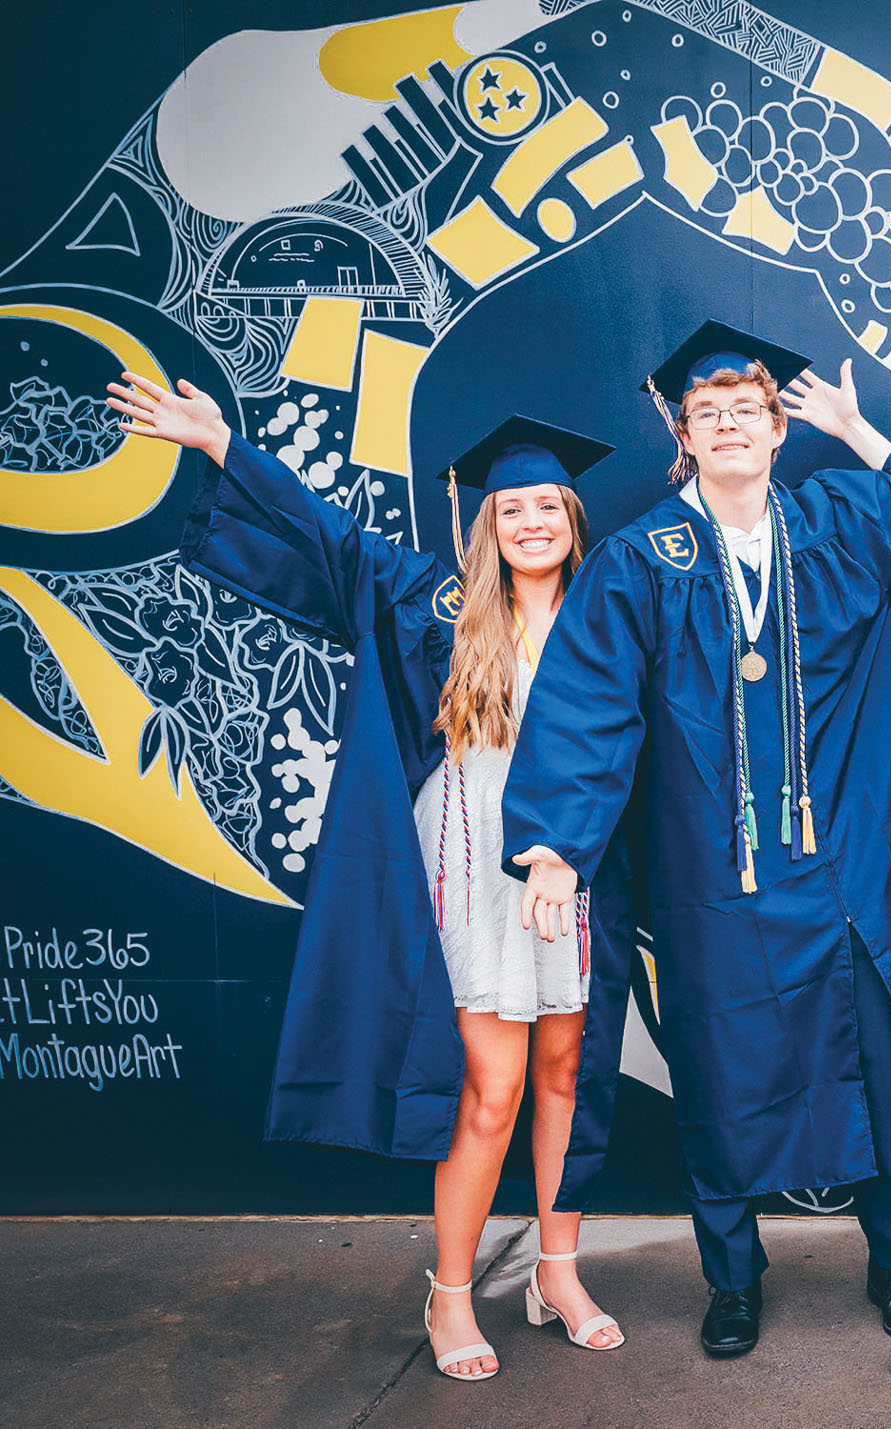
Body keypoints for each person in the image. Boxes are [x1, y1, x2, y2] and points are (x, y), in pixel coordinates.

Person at [501, 322, 891, 1358]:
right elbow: (588, 703)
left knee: (871, 1071)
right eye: (709, 414)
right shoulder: (640, 562)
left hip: (840, 869)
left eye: (748, 409)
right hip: (710, 877)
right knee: (715, 1078)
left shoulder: (840, 522)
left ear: (779, 428)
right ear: (684, 435)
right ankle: (732, 1279)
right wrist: (558, 847)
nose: (731, 425)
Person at [114, 372, 627, 1381]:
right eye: (508, 507)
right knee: (494, 1087)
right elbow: (330, 538)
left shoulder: (610, 612)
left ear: (573, 517)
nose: (530, 522)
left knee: (570, 1072)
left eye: (545, 507)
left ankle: (557, 1272)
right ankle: (449, 1295)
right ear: (485, 525)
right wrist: (224, 448)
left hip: (577, 868)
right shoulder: (436, 602)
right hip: (475, 862)